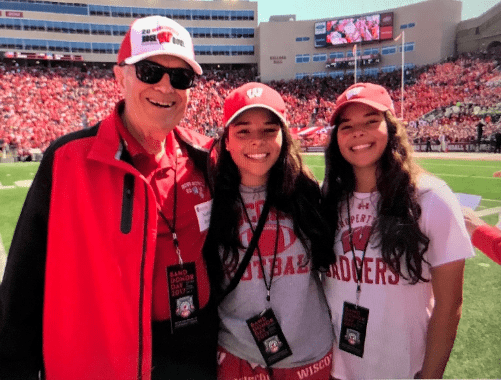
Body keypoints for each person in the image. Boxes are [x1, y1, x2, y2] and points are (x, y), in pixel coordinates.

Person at [0, 16, 218, 380]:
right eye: (150, 71)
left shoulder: (206, 158)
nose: (166, 86)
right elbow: (21, 290)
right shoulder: (67, 160)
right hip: (101, 365)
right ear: (120, 76)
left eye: (180, 77)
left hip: (190, 356)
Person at [321, 83, 474, 379]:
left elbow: (450, 304)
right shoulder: (327, 197)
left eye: (370, 121)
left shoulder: (431, 198)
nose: (358, 132)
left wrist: (430, 376)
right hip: (336, 370)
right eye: (346, 126)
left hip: (404, 369)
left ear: (391, 128)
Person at [202, 82, 336, 380]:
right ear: (226, 141)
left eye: (269, 130)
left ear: (284, 137)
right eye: (243, 130)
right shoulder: (209, 197)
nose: (257, 141)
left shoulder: (305, 191)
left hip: (311, 356)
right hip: (240, 357)